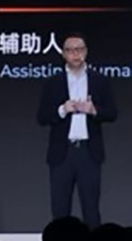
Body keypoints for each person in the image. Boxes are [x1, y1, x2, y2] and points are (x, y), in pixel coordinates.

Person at [35, 32, 119, 227]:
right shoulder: (53, 82)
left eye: (79, 49)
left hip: (89, 153)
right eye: (70, 50)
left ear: (86, 52)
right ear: (63, 54)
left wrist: (94, 110)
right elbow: (42, 117)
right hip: (62, 154)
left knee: (91, 210)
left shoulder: (99, 80)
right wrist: (63, 110)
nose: (75, 54)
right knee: (60, 211)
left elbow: (112, 113)